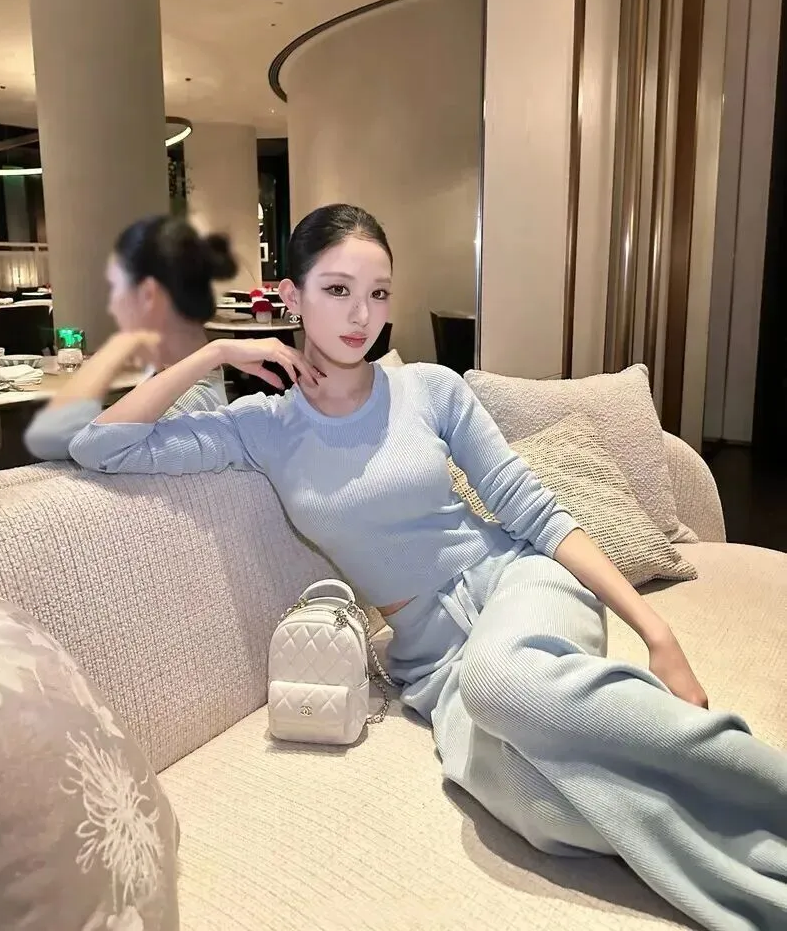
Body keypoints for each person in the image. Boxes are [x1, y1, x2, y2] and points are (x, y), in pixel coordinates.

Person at [68, 203, 786, 931]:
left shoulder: (430, 389)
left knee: (506, 682)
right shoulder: (264, 428)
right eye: (337, 289)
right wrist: (214, 353)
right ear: (291, 296)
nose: (362, 315)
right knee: (545, 807)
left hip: (517, 584)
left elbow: (535, 509)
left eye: (378, 293)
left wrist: (658, 634)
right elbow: (99, 445)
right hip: (434, 662)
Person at [24, 215, 236, 460]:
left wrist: (116, 348)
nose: (112, 306)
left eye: (117, 287)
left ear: (149, 295)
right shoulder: (183, 382)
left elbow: (56, 440)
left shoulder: (188, 403)